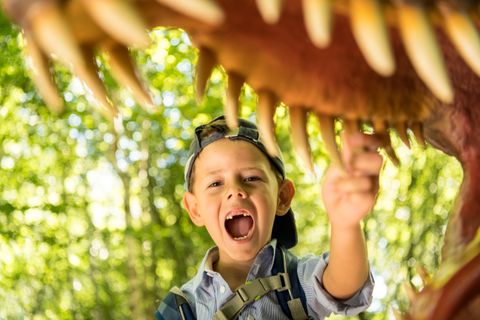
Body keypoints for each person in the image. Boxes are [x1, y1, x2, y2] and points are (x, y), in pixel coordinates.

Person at [156, 115, 382, 319]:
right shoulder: (181, 309)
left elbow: (344, 283)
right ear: (195, 209)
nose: (235, 190)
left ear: (282, 198)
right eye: (215, 183)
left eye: (252, 178)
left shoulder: (297, 282)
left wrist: (345, 223)